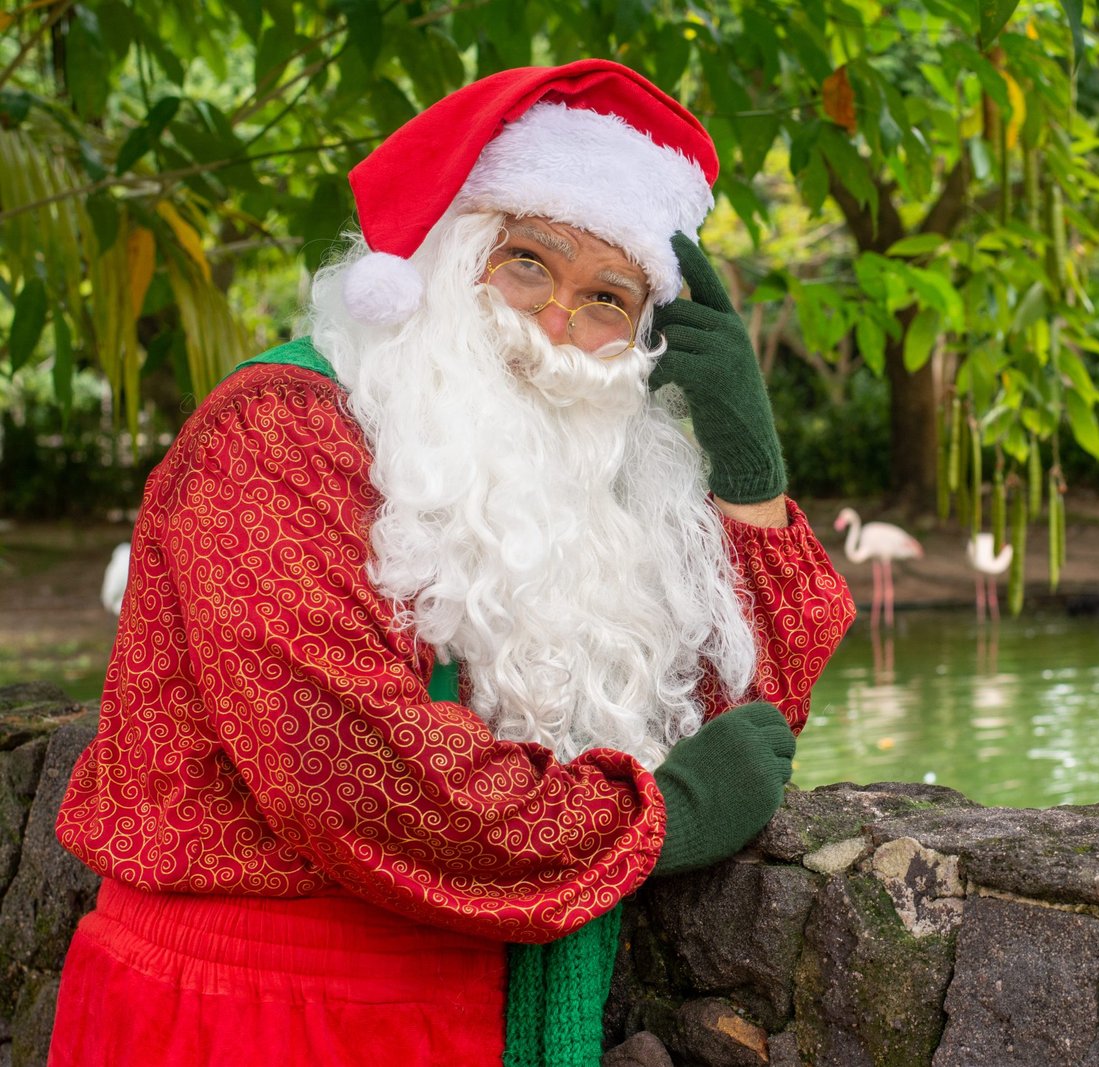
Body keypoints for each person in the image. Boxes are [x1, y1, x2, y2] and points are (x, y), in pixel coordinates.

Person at [49, 59, 855, 1067]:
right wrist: (657, 821)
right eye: (528, 263)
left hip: (469, 1014)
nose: (553, 325)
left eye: (606, 298)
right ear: (449, 255)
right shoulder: (280, 429)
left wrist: (747, 469)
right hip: (249, 1012)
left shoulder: (594, 483)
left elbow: (739, 721)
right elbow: (348, 770)